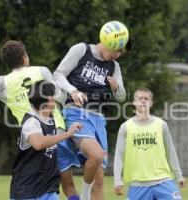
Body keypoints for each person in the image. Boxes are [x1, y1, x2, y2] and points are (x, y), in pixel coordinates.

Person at [53, 21, 131, 200]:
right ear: (108, 43)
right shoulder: (82, 50)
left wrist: (116, 87)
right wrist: (73, 90)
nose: (118, 56)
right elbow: (58, 75)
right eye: (117, 51)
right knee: (93, 157)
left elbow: (121, 97)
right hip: (75, 113)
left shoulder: (114, 67)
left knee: (99, 177)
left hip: (98, 119)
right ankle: (85, 196)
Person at [0, 40, 65, 128]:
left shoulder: (2, 83)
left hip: (34, 137)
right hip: (57, 130)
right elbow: (61, 98)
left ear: (7, 62)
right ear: (25, 58)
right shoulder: (42, 71)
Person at [10, 80, 82, 200]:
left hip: (48, 187)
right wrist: (67, 134)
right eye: (54, 96)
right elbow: (39, 143)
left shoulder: (49, 119)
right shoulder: (31, 122)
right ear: (50, 99)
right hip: (27, 189)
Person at [113, 87, 186, 200]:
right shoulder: (125, 127)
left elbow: (170, 151)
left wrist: (179, 176)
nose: (143, 101)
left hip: (163, 181)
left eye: (146, 98)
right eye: (140, 98)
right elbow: (119, 156)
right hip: (138, 184)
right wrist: (118, 180)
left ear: (151, 103)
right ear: (134, 102)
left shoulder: (161, 125)